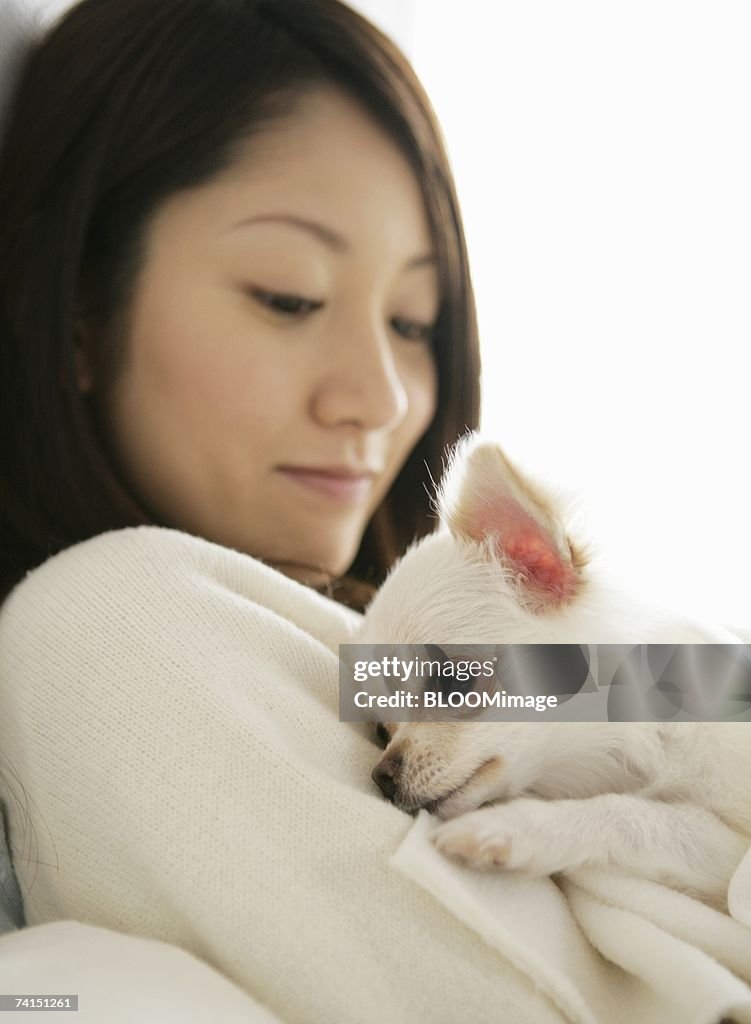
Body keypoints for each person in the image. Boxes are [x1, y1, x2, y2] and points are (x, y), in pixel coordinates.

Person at [0, 2, 568, 1022]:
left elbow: (706, 693)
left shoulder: (382, 650)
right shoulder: (106, 626)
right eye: (289, 295)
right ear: (76, 310)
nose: (385, 396)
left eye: (412, 322)